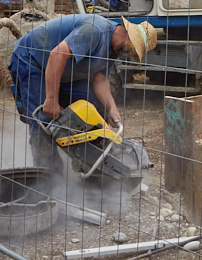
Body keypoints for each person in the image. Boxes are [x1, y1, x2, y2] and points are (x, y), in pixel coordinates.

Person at [9, 14, 158, 169]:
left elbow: (100, 80)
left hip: (65, 70)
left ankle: (92, 165)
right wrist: (52, 99)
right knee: (44, 120)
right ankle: (48, 178)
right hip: (33, 61)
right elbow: (57, 55)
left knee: (97, 110)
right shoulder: (94, 30)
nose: (132, 56)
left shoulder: (113, 50)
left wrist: (111, 108)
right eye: (134, 51)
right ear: (130, 39)